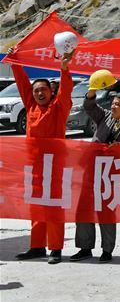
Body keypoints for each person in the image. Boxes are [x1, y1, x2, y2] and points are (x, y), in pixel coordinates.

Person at [12, 51, 74, 265]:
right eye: (36, 90)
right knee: (36, 205)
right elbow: (21, 83)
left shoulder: (59, 108)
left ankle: (55, 248)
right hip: (34, 166)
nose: (39, 93)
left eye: (43, 90)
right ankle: (37, 246)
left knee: (54, 206)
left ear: (50, 92)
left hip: (55, 166)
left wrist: (64, 68)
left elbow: (66, 91)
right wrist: (15, 62)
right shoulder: (30, 106)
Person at [70, 90, 120, 263]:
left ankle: (107, 249)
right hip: (92, 168)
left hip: (112, 173)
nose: (113, 106)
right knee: (84, 208)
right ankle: (85, 247)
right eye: (113, 103)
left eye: (117, 104)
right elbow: (89, 107)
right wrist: (90, 94)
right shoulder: (105, 116)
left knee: (107, 211)